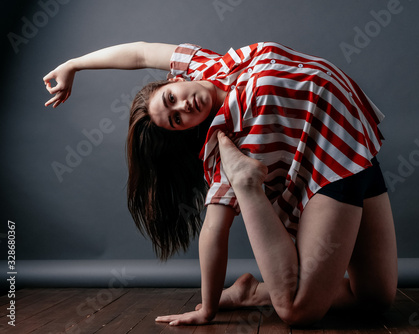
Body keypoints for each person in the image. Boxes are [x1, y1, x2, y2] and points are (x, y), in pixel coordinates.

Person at [43, 41, 398, 326]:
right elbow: (213, 230)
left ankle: (250, 292)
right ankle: (248, 187)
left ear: (172, 80)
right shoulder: (222, 146)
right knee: (296, 311)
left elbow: (138, 53)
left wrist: (74, 64)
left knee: (375, 297)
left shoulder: (207, 64)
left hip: (353, 139)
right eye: (177, 119)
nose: (183, 105)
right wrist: (207, 309)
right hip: (330, 167)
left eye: (171, 99)